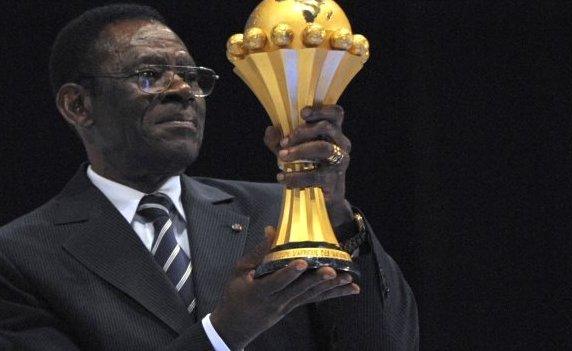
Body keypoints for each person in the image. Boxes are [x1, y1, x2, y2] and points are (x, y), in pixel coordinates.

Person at [0, 4, 418, 350]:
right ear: (78, 105)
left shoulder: (278, 214)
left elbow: (389, 343)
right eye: (149, 76)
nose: (182, 90)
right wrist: (223, 332)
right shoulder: (22, 256)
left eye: (192, 77)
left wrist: (334, 213)